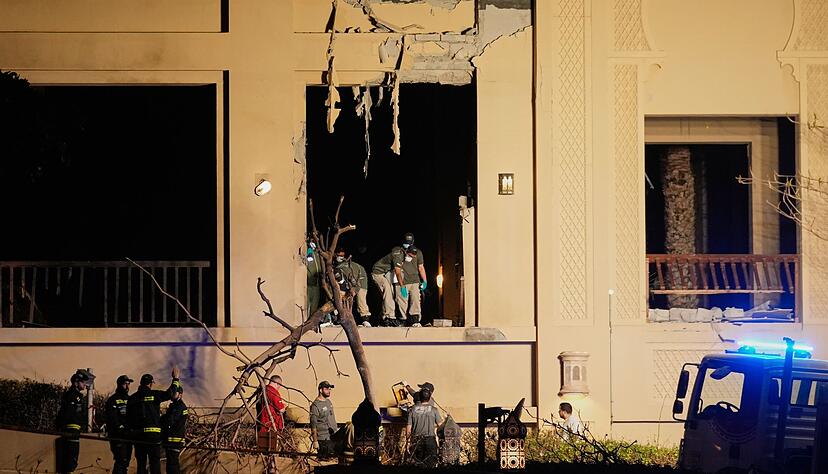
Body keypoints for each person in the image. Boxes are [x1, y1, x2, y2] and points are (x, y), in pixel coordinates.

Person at [127, 367, 181, 474]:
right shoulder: (155, 395)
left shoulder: (132, 398)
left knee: (141, 465)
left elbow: (128, 417)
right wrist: (176, 379)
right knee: (155, 464)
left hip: (139, 437)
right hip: (153, 438)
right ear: (151, 384)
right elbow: (170, 393)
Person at [56, 369, 93, 473]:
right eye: (83, 382)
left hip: (74, 431)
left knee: (72, 460)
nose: (85, 385)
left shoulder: (77, 396)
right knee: (70, 460)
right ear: (76, 382)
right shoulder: (72, 395)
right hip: (71, 432)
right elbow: (69, 413)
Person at [395, 237, 427, 327]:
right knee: (401, 301)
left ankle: (415, 320)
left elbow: (421, 267)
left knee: (416, 300)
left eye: (409, 243)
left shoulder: (418, 252)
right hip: (402, 281)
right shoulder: (399, 253)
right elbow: (397, 271)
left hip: (414, 281)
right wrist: (401, 286)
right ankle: (402, 320)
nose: (407, 244)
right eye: (406, 243)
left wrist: (424, 281)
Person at [406, 387, 441, 468]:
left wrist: (408, 442)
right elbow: (440, 425)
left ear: (420, 397)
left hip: (416, 440)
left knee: (417, 465)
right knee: (430, 464)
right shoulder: (434, 410)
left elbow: (409, 427)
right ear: (429, 398)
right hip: (430, 440)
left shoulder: (412, 410)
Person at [335, 248, 371, 326]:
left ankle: (365, 319)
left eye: (342, 255)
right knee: (343, 297)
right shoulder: (339, 266)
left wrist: (354, 290)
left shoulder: (348, 266)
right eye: (338, 255)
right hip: (349, 284)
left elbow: (354, 281)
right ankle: (341, 317)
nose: (340, 257)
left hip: (361, 281)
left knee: (361, 299)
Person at [105, 375, 133, 474]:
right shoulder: (113, 400)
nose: (127, 386)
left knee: (125, 462)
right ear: (119, 384)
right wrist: (120, 428)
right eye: (125, 384)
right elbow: (112, 419)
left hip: (128, 437)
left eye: (128, 384)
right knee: (121, 461)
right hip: (118, 436)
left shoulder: (130, 400)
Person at [371, 247, 405, 327]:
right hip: (377, 273)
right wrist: (402, 286)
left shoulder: (401, 255)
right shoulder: (398, 255)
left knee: (390, 294)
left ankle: (384, 316)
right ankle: (389, 317)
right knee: (388, 293)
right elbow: (398, 272)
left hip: (384, 274)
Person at [161, 383, 188, 474]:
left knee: (172, 465)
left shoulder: (179, 407)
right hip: (173, 440)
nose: (172, 394)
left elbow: (170, 420)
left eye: (174, 392)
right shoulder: (176, 406)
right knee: (171, 464)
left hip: (174, 440)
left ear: (180, 394)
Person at [310, 381, 339, 459]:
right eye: (326, 389)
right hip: (323, 439)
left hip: (332, 437)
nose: (329, 391)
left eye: (330, 389)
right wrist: (315, 441)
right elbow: (313, 424)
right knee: (325, 462)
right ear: (320, 390)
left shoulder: (328, 402)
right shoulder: (315, 406)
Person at [306, 239, 323, 317]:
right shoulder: (308, 251)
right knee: (307, 304)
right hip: (309, 284)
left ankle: (312, 322)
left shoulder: (318, 254)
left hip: (317, 284)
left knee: (315, 305)